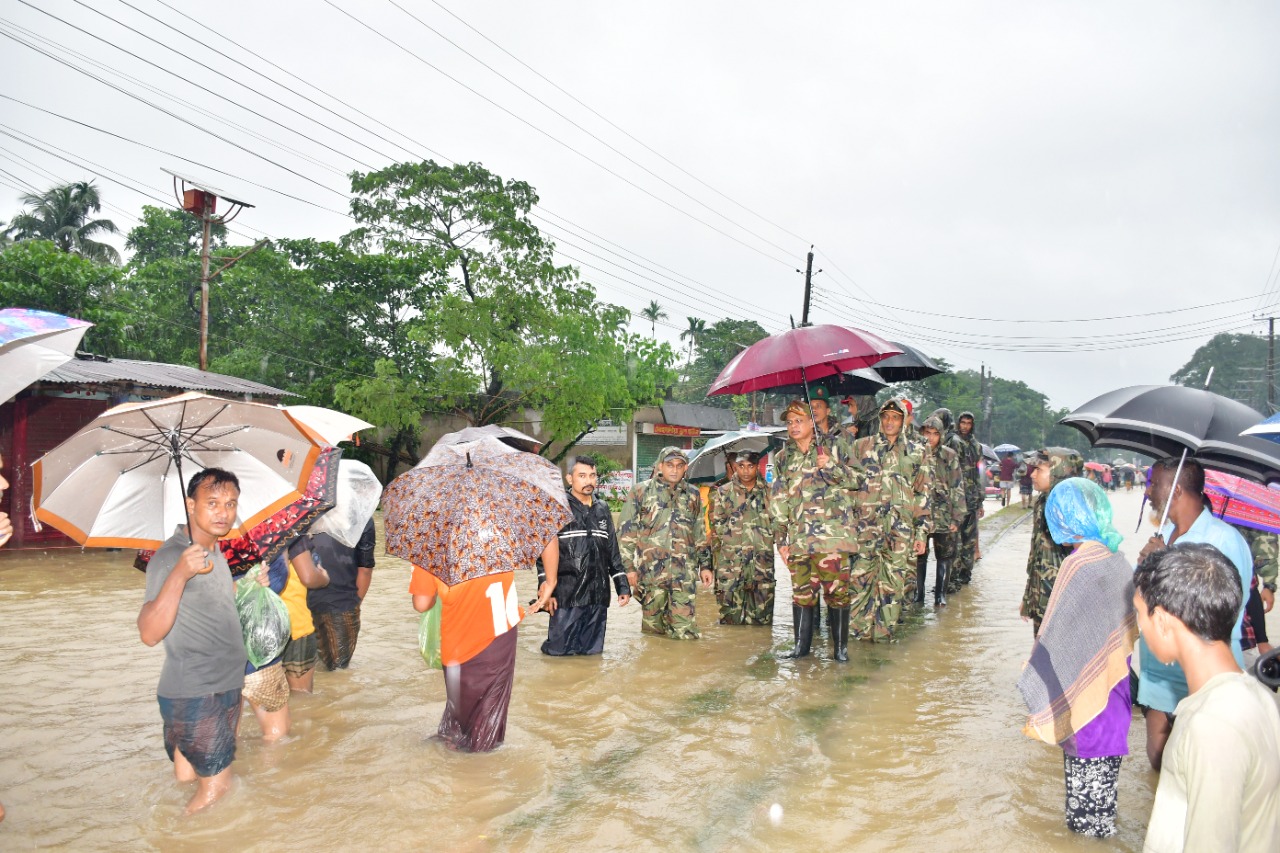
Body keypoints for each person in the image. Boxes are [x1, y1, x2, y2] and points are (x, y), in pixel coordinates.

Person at [1134, 543, 1280, 852]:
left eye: (1138, 615)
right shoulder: (1257, 695)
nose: (1138, 631)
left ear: (1161, 622)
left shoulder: (1210, 725)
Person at [1018, 478, 1137, 838]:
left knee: (1084, 822)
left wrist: (1030, 677)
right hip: (1113, 705)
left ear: (1065, 517)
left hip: (1086, 715)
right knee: (1099, 818)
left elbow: (1055, 640)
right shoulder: (1116, 558)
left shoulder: (1078, 565)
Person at [137, 468, 247, 814]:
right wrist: (181, 574)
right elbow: (149, 632)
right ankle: (186, 837)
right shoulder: (171, 557)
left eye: (230, 504)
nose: (223, 512)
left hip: (221, 686)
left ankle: (172, 829)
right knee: (216, 791)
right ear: (190, 504)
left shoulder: (215, 553)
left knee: (186, 779)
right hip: (198, 692)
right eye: (211, 503)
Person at [1135, 456, 1253, 771]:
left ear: (1175, 491)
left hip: (1204, 677)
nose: (1148, 492)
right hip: (1158, 675)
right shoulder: (1164, 534)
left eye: (1154, 484)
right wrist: (1147, 566)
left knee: (1202, 767)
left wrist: (1167, 565)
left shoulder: (1223, 540)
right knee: (1160, 763)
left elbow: (1220, 615)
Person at [410, 539, 558, 752]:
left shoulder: (430, 537)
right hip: (498, 636)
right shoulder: (502, 524)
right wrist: (550, 581)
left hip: (455, 644)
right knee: (485, 736)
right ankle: (478, 776)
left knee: (457, 716)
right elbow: (547, 531)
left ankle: (450, 759)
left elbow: (422, 603)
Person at [769, 400, 866, 660]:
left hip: (832, 538)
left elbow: (859, 480)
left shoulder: (835, 446)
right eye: (789, 422)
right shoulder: (782, 457)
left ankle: (840, 650)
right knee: (802, 594)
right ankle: (801, 648)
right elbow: (779, 500)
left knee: (837, 594)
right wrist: (781, 541)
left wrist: (831, 466)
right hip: (800, 539)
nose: (793, 426)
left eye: (799, 420)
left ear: (813, 422)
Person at [848, 399, 930, 640]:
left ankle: (884, 636)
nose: (890, 422)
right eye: (886, 417)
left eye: (895, 417)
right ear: (880, 419)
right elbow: (848, 485)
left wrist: (921, 533)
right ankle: (859, 635)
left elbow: (923, 493)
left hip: (900, 530)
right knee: (860, 580)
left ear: (904, 420)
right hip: (866, 528)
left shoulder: (917, 451)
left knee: (893, 585)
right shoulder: (861, 447)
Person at [539, 456, 631, 655]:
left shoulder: (602, 508)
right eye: (582, 476)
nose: (588, 481)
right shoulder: (556, 507)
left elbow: (612, 551)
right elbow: (543, 554)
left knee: (592, 656)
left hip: (598, 597)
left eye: (592, 475)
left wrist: (622, 585)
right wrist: (546, 589)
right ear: (570, 479)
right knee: (558, 654)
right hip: (566, 597)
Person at [617, 447, 712, 640]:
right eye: (669, 465)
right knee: (653, 634)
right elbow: (626, 534)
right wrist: (629, 569)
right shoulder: (640, 492)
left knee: (685, 634)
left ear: (686, 468)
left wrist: (706, 566)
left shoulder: (692, 494)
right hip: (651, 576)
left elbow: (699, 532)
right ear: (660, 466)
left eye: (679, 466)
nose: (674, 470)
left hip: (684, 576)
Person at [1019, 447, 1083, 636]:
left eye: (1039, 469)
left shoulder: (1069, 507)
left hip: (1061, 598)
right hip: (1042, 594)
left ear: (1058, 471)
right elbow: (1036, 556)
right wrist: (1029, 598)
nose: (1032, 474)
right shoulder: (1043, 502)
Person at [709, 450, 775, 625]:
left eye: (750, 466)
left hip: (761, 561)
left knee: (762, 618)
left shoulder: (769, 492)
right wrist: (732, 540)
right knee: (730, 618)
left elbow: (778, 522)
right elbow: (717, 523)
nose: (746, 471)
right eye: (741, 466)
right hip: (731, 562)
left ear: (757, 467)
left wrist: (764, 538)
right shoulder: (723, 492)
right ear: (735, 467)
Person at [305, 520, 377, 670]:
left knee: (305, 672)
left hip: (298, 602)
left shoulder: (300, 510)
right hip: (340, 602)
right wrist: (354, 605)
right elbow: (365, 569)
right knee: (337, 671)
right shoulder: (361, 515)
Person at [917, 416, 966, 606]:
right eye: (927, 433)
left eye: (935, 434)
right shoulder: (914, 453)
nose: (930, 437)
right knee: (919, 555)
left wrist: (957, 517)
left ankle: (940, 595)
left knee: (944, 555)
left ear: (941, 435)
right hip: (920, 513)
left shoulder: (949, 455)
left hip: (944, 514)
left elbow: (957, 486)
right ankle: (918, 595)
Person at [935, 409, 984, 592]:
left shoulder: (976, 445)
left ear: (972, 425)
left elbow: (977, 473)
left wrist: (980, 500)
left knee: (969, 540)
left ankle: (965, 574)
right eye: (962, 423)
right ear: (958, 423)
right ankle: (952, 578)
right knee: (954, 540)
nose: (965, 426)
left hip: (971, 497)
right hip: (956, 498)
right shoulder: (952, 441)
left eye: (968, 423)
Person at [277, 544, 329, 693]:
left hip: (260, 627)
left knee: (267, 697)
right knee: (301, 697)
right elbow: (308, 577)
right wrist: (324, 578)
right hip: (296, 623)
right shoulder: (295, 534)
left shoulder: (241, 537)